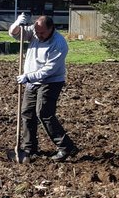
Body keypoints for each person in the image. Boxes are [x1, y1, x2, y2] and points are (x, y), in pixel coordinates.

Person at [9, 13, 79, 162]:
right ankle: (29, 148)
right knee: (27, 112)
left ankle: (66, 147)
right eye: (37, 32)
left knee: (44, 112)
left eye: (42, 33)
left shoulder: (59, 44)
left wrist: (28, 76)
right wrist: (16, 24)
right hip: (31, 81)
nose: (38, 35)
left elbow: (49, 70)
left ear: (51, 29)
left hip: (51, 81)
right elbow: (15, 34)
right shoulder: (34, 32)